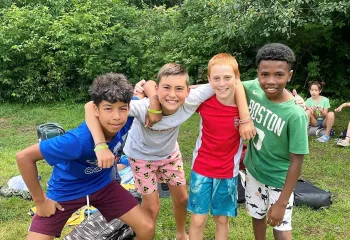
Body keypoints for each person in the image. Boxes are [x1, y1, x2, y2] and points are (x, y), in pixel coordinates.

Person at [84, 63, 254, 240]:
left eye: (179, 88)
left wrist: (245, 119)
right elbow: (90, 106)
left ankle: (181, 234)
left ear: (188, 91)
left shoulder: (192, 99)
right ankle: (147, 235)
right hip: (140, 157)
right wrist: (101, 145)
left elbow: (235, 83)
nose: (172, 95)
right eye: (166, 88)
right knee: (152, 206)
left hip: (169, 155)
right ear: (158, 89)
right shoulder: (142, 107)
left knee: (182, 199)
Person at [15, 73, 155, 240]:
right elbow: (23, 157)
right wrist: (40, 201)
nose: (117, 117)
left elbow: (150, 85)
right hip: (66, 191)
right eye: (108, 108)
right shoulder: (76, 141)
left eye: (122, 109)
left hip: (103, 186)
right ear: (96, 110)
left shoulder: (127, 118)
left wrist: (149, 96)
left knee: (146, 227)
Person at [242, 43, 309, 240]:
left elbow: (297, 160)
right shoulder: (253, 88)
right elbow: (225, 84)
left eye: (279, 75)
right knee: (257, 215)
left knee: (281, 228)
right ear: (258, 73)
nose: (271, 81)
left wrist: (281, 202)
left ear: (289, 75)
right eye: (265, 74)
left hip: (280, 180)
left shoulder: (295, 114)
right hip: (254, 171)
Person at [187, 53, 253, 240]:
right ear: (209, 80)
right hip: (201, 168)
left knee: (221, 220)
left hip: (227, 172)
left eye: (227, 78)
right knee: (198, 220)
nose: (222, 83)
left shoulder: (245, 106)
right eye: (216, 78)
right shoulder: (204, 101)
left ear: (237, 78)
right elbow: (178, 94)